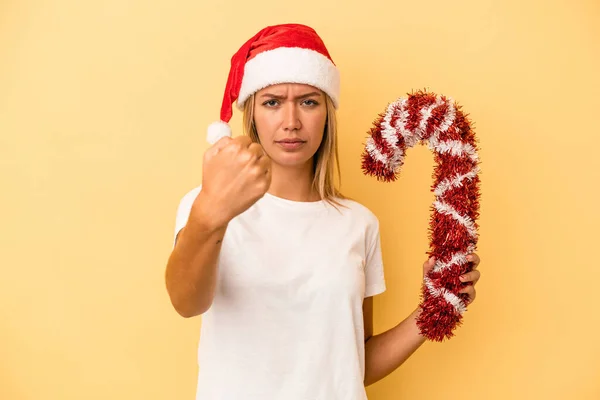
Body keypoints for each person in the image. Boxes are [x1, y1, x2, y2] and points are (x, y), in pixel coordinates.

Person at [165, 23, 481, 400]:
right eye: (272, 102)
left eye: (309, 101)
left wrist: (435, 307)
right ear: (251, 114)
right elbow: (186, 302)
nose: (291, 121)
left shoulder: (358, 224)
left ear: (326, 114)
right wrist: (210, 214)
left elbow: (353, 363)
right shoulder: (206, 204)